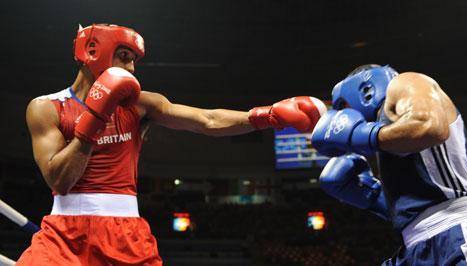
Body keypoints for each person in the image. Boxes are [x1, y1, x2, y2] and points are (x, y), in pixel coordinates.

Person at [17, 24, 327, 265]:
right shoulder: (46, 108)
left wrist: (265, 117)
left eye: (135, 61)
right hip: (64, 235)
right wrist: (95, 118)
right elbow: (60, 179)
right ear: (94, 50)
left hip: (125, 233)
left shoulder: (139, 104)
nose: (132, 69)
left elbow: (208, 120)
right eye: (125, 57)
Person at [311, 64, 467, 265]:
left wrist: (362, 134)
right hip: (414, 246)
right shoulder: (387, 143)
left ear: (365, 91)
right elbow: (418, 212)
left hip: (457, 231)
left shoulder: (407, 83)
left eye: (343, 108)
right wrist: (373, 198)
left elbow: (430, 127)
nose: (344, 117)